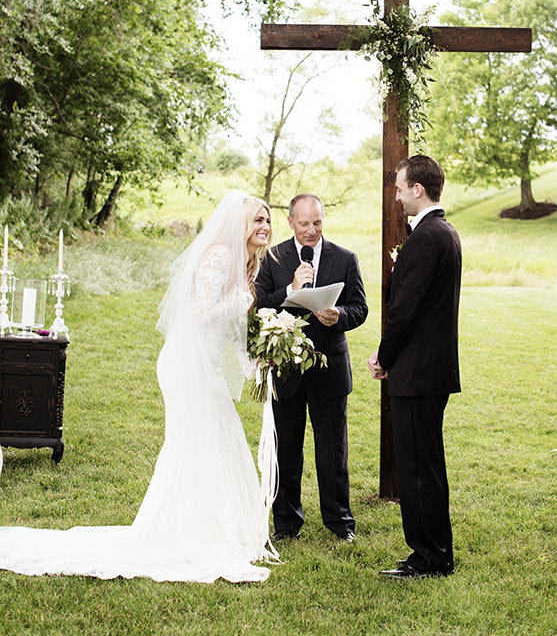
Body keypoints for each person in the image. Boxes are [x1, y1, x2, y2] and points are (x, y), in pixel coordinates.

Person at [0, 190, 277, 584]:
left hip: (206, 364)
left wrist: (253, 364)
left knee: (218, 438)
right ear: (241, 225)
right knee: (197, 441)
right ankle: (189, 532)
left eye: (268, 221)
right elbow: (203, 314)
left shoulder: (245, 262)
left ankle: (220, 528)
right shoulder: (218, 255)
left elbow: (230, 328)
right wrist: (238, 302)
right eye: (258, 220)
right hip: (186, 366)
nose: (265, 227)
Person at [368, 155, 461, 579]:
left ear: (417, 190)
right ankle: (434, 552)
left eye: (401, 187)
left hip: (417, 372)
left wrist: (382, 357)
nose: (398, 195)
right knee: (428, 465)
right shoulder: (447, 233)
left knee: (417, 468)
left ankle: (429, 558)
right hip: (432, 371)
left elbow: (404, 312)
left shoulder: (425, 238)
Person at [254, 193, 368, 542]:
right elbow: (258, 305)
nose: (311, 230)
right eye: (304, 224)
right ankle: (287, 523)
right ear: (290, 222)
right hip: (286, 370)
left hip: (329, 369)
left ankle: (340, 523)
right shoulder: (272, 258)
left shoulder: (345, 258)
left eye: (317, 223)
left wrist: (339, 317)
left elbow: (360, 308)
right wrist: (290, 289)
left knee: (333, 452)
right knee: (286, 449)